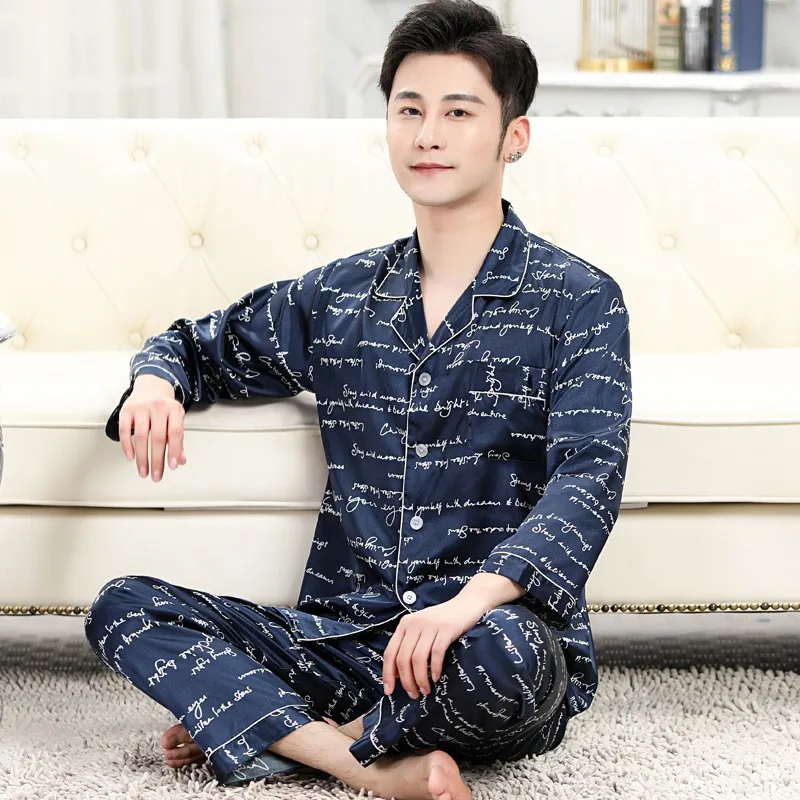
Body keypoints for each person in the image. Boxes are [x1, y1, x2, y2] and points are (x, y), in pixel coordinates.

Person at [84, 1, 632, 798]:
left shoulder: (578, 299)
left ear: (514, 137)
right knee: (123, 607)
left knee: (509, 659)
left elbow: (589, 476)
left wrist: (467, 605)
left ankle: (280, 729)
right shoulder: (341, 296)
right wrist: (156, 381)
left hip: (486, 638)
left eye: (458, 112)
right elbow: (201, 344)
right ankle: (356, 762)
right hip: (342, 640)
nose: (428, 134)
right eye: (409, 110)